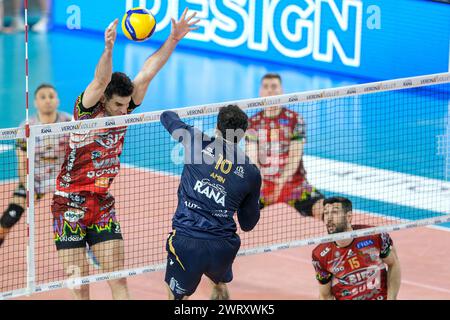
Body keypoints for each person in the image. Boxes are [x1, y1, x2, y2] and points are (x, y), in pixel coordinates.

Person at [51, 9, 199, 300]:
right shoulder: (87, 109)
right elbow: (100, 79)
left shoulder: (127, 107)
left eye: (125, 105)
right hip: (68, 204)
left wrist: (173, 39)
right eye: (117, 105)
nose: (123, 112)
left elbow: (148, 71)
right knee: (79, 286)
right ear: (105, 98)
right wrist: (108, 49)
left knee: (118, 279)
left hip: (102, 205)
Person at [160, 105, 262, 300]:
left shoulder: (197, 141)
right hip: (223, 247)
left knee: (176, 298)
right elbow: (248, 224)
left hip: (188, 241)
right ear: (241, 136)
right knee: (219, 281)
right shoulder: (251, 172)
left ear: (216, 127)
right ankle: (219, 286)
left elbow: (167, 116)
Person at [0, 84, 71, 247]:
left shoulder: (68, 122)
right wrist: (28, 186)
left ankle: (89, 248)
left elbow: (77, 155)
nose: (47, 100)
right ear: (35, 102)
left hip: (62, 180)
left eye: (51, 96)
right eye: (43, 97)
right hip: (35, 179)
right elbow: (21, 160)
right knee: (10, 216)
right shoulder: (26, 126)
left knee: (79, 215)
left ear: (58, 101)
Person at [246, 73, 324, 219]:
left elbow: (295, 156)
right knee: (235, 213)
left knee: (325, 210)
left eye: (274, 86)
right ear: (260, 91)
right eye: (266, 87)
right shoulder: (252, 123)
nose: (270, 90)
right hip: (261, 187)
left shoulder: (295, 120)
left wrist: (281, 181)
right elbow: (252, 159)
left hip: (294, 185)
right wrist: (259, 181)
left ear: (281, 90)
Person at [311, 197, 401, 300]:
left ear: (348, 217)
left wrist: (391, 298)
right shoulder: (320, 254)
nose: (329, 218)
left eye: (335, 212)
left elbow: (393, 263)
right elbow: (325, 295)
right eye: (326, 213)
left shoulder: (374, 235)